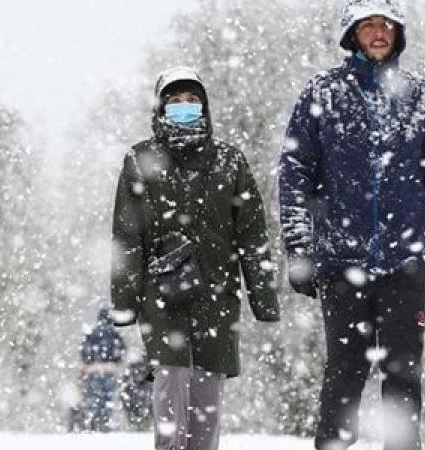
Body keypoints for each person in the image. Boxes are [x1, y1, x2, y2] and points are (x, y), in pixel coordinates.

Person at [278, 1, 425, 449]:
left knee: (403, 373)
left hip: (407, 261)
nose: (378, 32)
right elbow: (294, 174)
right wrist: (299, 247)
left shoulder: (421, 95)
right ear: (352, 35)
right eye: (368, 25)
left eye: (385, 24)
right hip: (340, 260)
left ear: (398, 33)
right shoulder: (322, 93)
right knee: (344, 372)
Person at [110, 66, 280, 450]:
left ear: (205, 107)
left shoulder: (229, 161)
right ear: (160, 108)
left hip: (217, 299)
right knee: (170, 397)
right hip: (162, 296)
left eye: (192, 100)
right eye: (174, 101)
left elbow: (252, 235)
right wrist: (124, 303)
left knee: (206, 413)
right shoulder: (140, 160)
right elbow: (127, 236)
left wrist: (263, 297)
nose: (184, 107)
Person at [80, 307, 127, 432]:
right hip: (109, 369)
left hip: (93, 369)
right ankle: (104, 422)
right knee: (107, 398)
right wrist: (115, 361)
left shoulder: (91, 334)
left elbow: (84, 351)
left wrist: (89, 363)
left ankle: (93, 422)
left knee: (95, 397)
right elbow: (122, 350)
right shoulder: (114, 334)